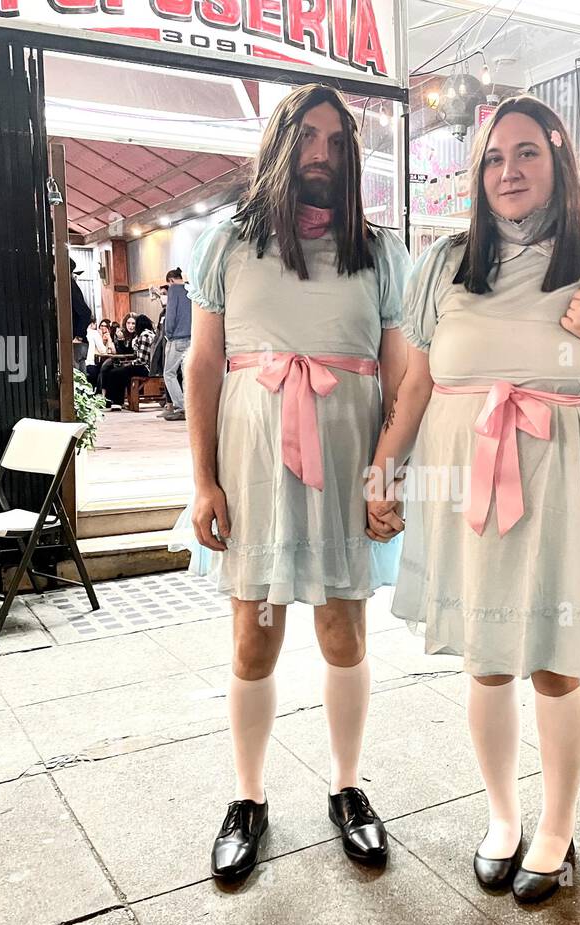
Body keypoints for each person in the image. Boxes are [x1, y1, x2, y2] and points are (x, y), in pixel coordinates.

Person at [366, 94, 580, 905]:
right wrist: (384, 467)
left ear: (558, 158)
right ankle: (503, 818)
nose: (509, 171)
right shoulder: (445, 263)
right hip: (463, 490)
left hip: (560, 491)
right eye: (494, 159)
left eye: (527, 154)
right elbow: (418, 381)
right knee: (486, 661)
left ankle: (556, 824)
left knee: (553, 665)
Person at [180, 83, 412, 883]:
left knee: (343, 631)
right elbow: (204, 364)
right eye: (308, 137)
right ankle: (247, 797)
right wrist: (203, 479)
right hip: (253, 469)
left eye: (338, 141)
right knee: (255, 635)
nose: (323, 152)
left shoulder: (379, 251)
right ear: (280, 145)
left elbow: (400, 370)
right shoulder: (229, 243)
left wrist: (389, 472)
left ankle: (348, 788)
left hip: (348, 467)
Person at [99, 313, 154, 409]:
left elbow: (142, 360)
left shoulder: (144, 335)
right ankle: (113, 401)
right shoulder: (146, 334)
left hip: (145, 367)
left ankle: (115, 402)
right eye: (129, 323)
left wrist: (129, 364)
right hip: (143, 365)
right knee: (111, 369)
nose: (132, 326)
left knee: (116, 372)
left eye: (134, 324)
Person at [161, 267, 191, 422]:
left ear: (171, 280)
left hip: (177, 337)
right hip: (192, 338)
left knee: (169, 373)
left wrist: (168, 333)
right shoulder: (191, 288)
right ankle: (191, 407)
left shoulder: (174, 290)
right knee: (187, 374)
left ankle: (181, 406)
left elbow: (171, 314)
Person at [70, 258, 93, 373]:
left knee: (75, 377)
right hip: (76, 340)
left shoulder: (69, 286)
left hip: (75, 340)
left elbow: (86, 313)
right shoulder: (71, 285)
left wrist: (78, 336)